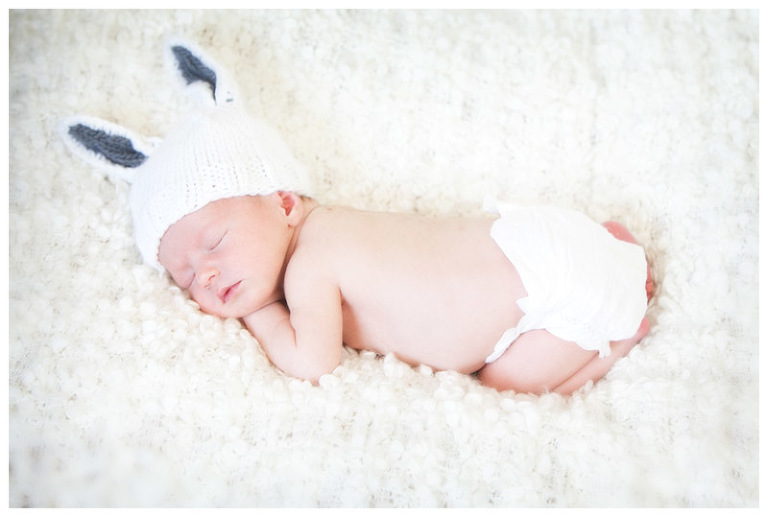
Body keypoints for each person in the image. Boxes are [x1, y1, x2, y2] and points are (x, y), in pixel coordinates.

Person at [62, 40, 653, 395]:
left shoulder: (309, 269)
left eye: (214, 243)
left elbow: (313, 363)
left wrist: (259, 313)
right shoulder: (338, 224)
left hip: (542, 304)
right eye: (187, 277)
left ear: (284, 203)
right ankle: (607, 247)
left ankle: (620, 335)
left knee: (504, 383)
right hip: (536, 237)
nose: (207, 275)